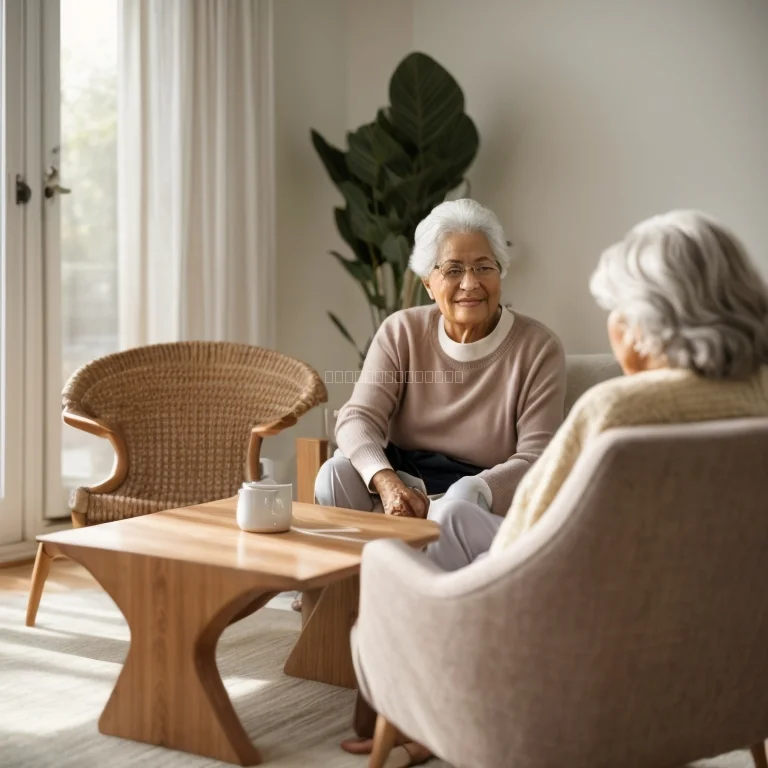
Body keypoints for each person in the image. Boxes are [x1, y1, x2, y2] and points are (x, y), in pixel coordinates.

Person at [343, 209, 768, 764]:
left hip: (576, 625)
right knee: (447, 514)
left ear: (641, 329)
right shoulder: (757, 400)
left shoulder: (615, 410)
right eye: (452, 270)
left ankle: (430, 714)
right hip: (722, 642)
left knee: (409, 547)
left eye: (619, 313)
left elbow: (528, 542)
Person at [315, 197, 566, 529]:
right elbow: (358, 417)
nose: (470, 283)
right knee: (334, 474)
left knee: (457, 508)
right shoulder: (401, 331)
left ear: (500, 273)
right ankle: (352, 580)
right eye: (453, 270)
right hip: (404, 477)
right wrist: (387, 482)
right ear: (427, 284)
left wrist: (474, 489)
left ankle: (417, 574)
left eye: (483, 267)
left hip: (480, 493)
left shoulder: (538, 348)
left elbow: (538, 457)